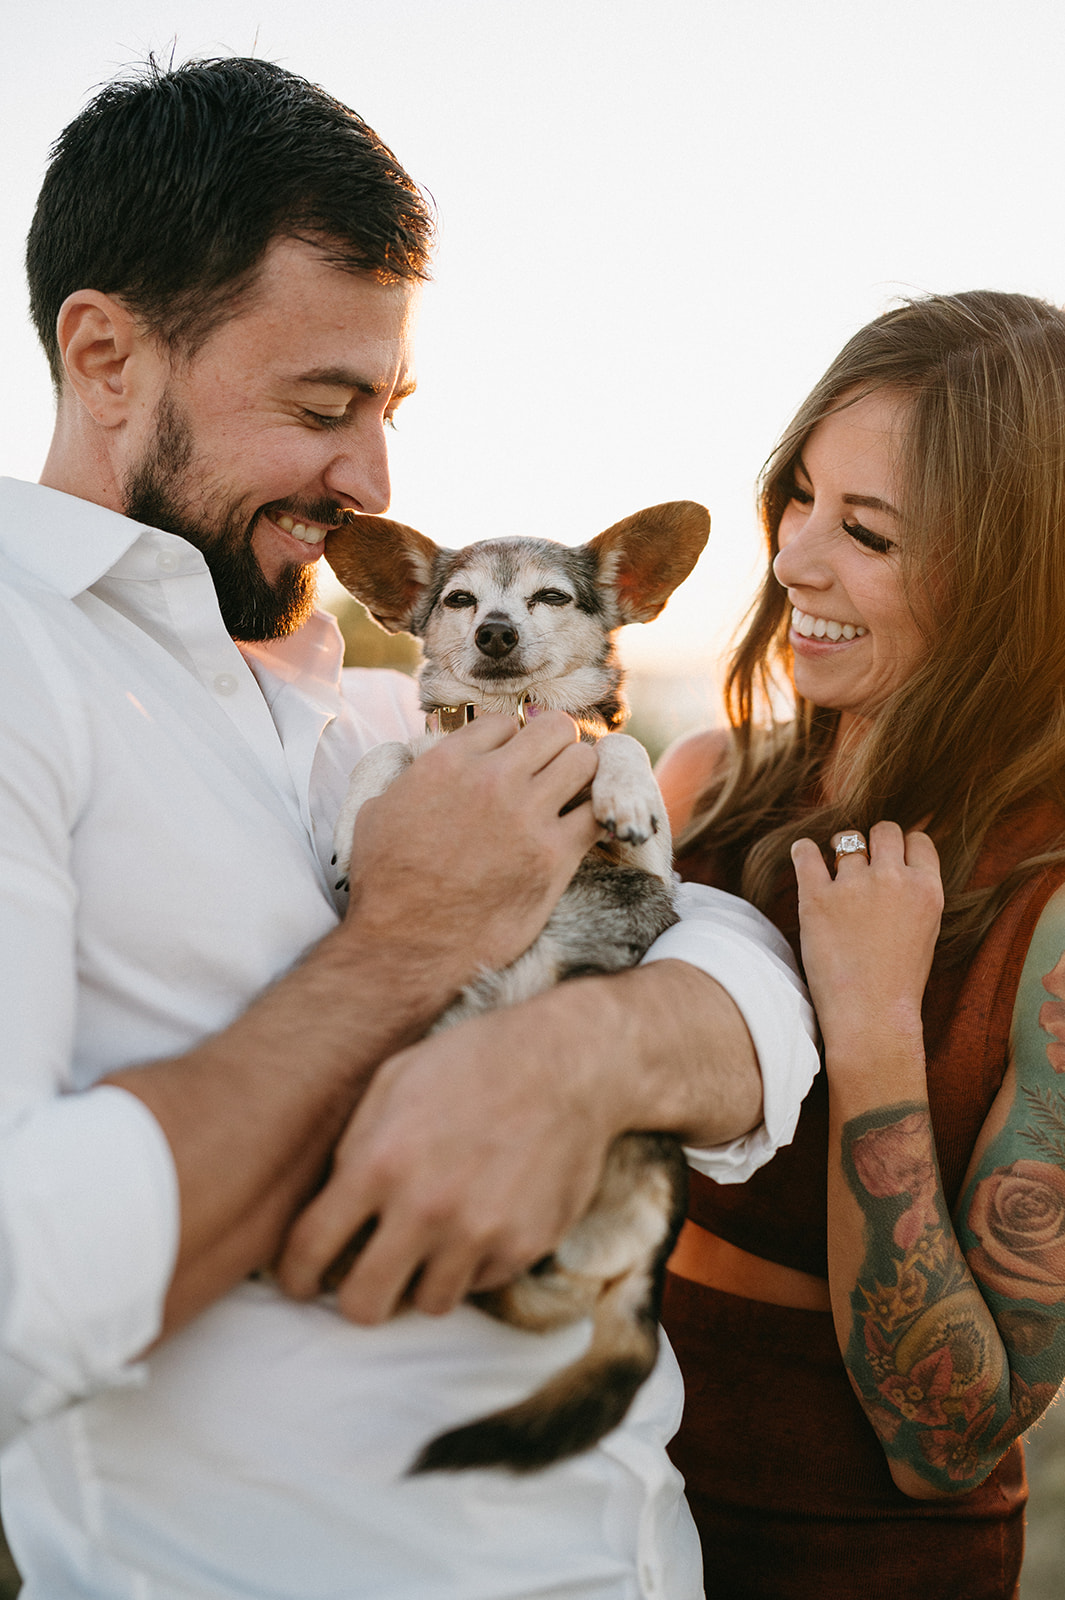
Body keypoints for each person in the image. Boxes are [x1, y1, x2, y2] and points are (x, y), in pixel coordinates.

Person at [0, 56, 820, 1599]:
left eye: (389, 407)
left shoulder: (379, 699)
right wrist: (400, 948)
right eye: (324, 407)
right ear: (105, 356)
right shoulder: (21, 667)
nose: (372, 479)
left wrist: (577, 1058)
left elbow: (739, 968)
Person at [656, 289, 1065, 1600]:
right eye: (801, 499)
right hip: (594, 1493)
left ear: (1010, 576)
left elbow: (950, 1440)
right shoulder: (700, 792)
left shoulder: (1048, 904)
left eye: (867, 533)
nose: (793, 562)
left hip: (859, 1559)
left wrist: (872, 1023)